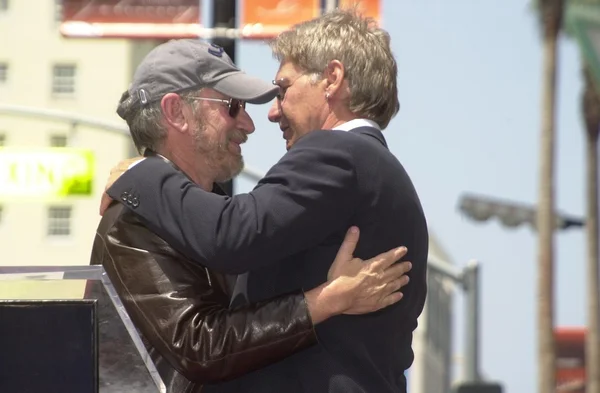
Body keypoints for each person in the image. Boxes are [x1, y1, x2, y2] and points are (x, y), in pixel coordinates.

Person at [103, 9, 428, 393]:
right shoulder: (369, 167)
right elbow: (205, 341)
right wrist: (325, 300)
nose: (266, 115)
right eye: (232, 107)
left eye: (283, 89)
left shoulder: (337, 153)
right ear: (176, 112)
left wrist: (136, 174)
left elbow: (232, 234)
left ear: (332, 79)